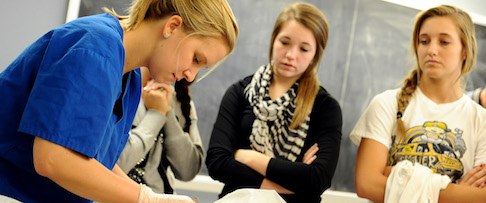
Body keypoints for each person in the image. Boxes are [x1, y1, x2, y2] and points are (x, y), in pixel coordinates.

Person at [0, 0, 238, 202]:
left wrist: (158, 197)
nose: (191, 76)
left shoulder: (130, 78)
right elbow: (54, 159)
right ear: (172, 26)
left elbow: (91, 157)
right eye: (196, 59)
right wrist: (145, 199)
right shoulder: (95, 47)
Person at [206, 2, 342, 203]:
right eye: (284, 42)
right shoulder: (241, 92)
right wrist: (292, 182)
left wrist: (247, 157)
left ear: (315, 55)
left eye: (304, 49)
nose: (290, 55)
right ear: (273, 41)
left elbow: (317, 179)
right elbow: (217, 162)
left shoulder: (325, 108)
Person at [351, 5, 486, 203]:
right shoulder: (386, 104)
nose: (431, 50)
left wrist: (397, 176)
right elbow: (367, 184)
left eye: (444, 42)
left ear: (465, 50)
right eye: (424, 41)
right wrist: (456, 192)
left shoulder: (481, 121)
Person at [117, 67, 203, 194]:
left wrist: (167, 111)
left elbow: (187, 171)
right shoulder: (119, 88)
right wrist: (156, 114)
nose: (191, 76)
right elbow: (112, 164)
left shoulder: (181, 101)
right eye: (195, 59)